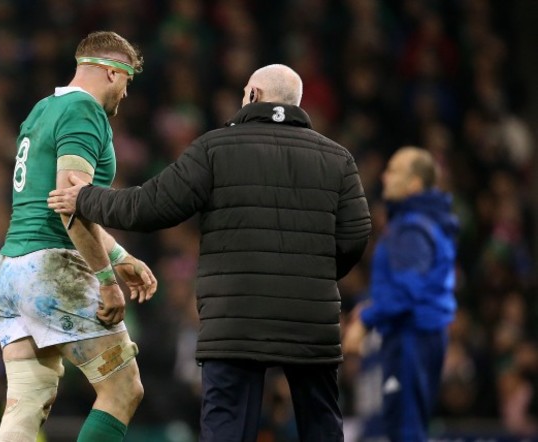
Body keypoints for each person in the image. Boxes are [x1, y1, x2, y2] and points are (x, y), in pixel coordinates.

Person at [48, 64, 372, 442]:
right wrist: (311, 274)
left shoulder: (215, 148)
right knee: (321, 426)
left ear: (253, 96)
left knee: (227, 429)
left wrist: (86, 197)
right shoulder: (338, 158)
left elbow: (150, 207)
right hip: (311, 318)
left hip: (235, 320)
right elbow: (356, 235)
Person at [0, 31, 158, 442]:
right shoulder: (85, 110)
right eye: (127, 83)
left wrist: (120, 257)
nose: (125, 96)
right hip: (52, 270)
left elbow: (51, 199)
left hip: (10, 273)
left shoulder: (43, 109)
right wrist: (106, 280)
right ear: (111, 73)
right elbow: (72, 202)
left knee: (26, 402)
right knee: (122, 388)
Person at [342, 146, 459, 442]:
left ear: (415, 184)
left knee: (405, 430)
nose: (384, 176)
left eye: (394, 170)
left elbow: (407, 292)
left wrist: (366, 319)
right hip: (417, 335)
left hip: (410, 338)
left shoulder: (412, 229)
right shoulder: (424, 224)